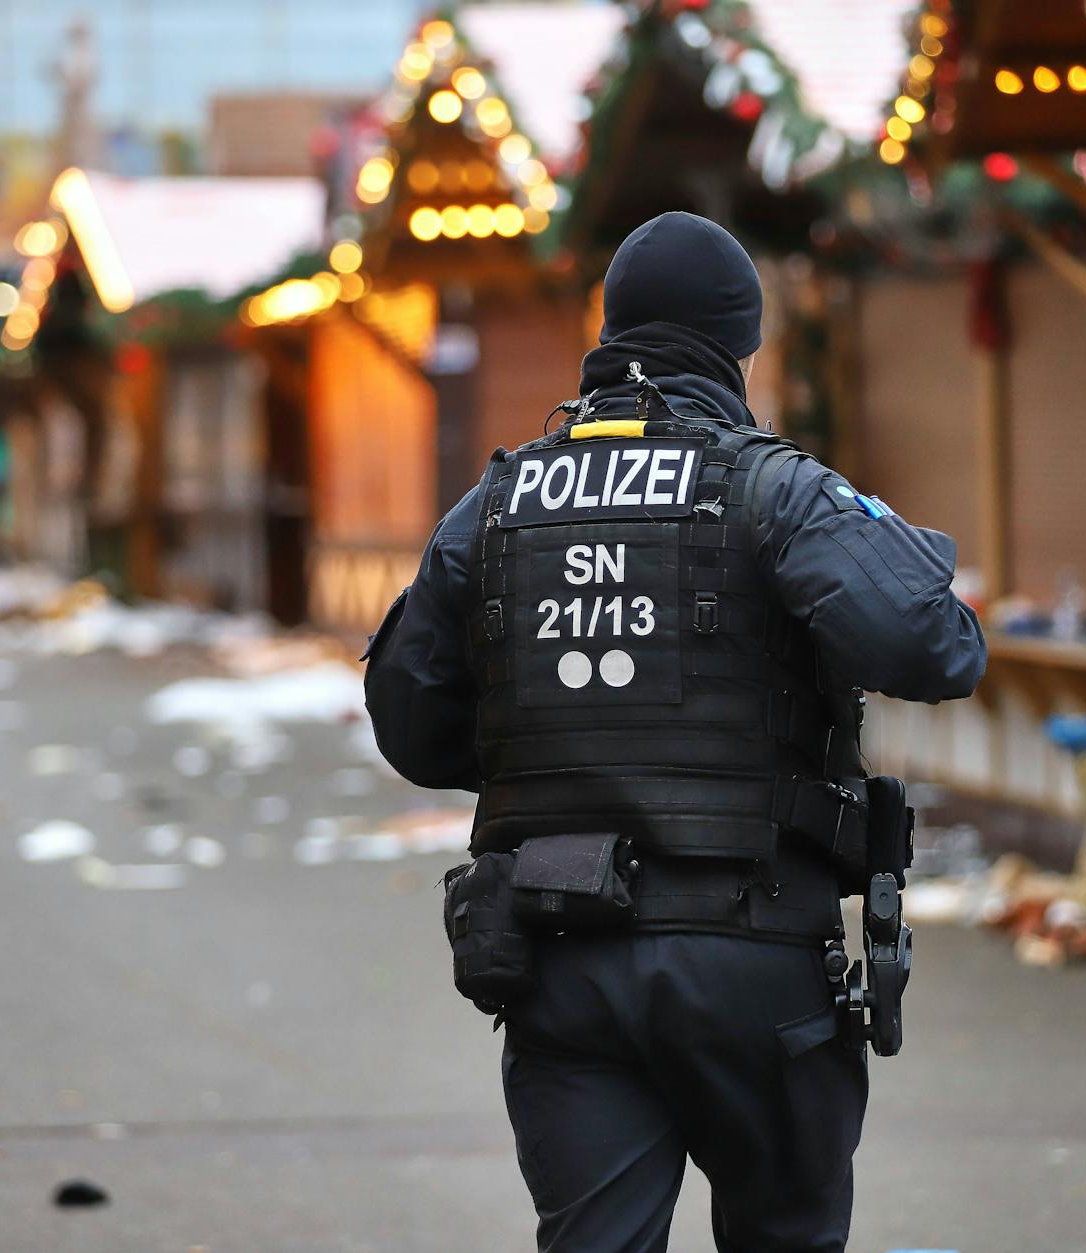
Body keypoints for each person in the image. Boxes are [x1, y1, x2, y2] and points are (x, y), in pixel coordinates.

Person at [364, 211, 985, 1252]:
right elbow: (937, 648)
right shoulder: (770, 487)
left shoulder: (496, 503)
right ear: (740, 339)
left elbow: (411, 726)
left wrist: (566, 741)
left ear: (612, 330)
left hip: (557, 959)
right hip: (751, 962)